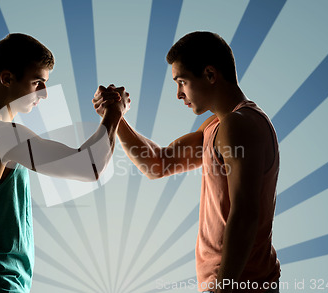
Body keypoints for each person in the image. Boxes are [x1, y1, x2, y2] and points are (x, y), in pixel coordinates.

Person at [93, 31, 280, 293]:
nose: (179, 94)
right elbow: (158, 164)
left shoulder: (239, 125)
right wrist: (117, 115)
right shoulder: (217, 126)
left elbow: (245, 214)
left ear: (210, 75)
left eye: (182, 82)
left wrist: (222, 288)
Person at [0, 33, 129, 293]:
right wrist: (114, 112)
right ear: (7, 79)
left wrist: (110, 115)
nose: (44, 94)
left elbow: (85, 160)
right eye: (37, 83)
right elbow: (89, 166)